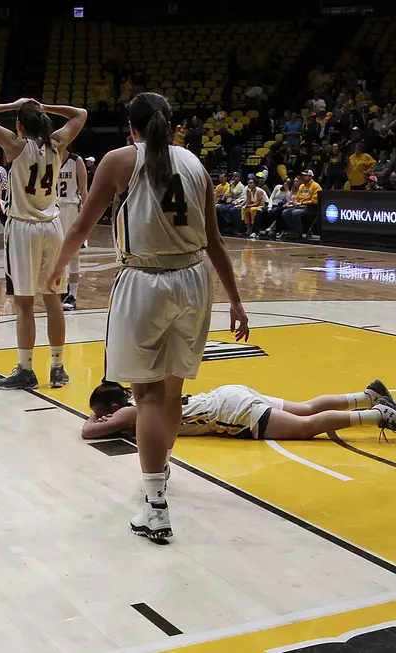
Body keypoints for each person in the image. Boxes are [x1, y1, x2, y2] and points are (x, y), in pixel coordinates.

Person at [46, 92, 249, 542]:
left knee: (148, 396)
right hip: (196, 280)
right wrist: (236, 300)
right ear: (172, 125)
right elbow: (215, 240)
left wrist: (58, 268)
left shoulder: (120, 160)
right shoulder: (195, 165)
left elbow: (80, 226)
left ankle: (155, 505)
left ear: (131, 126)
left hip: (146, 281)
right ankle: (161, 468)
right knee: (172, 390)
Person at [0, 97, 87, 390]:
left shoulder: (15, 145)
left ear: (20, 125)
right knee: (53, 299)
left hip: (23, 229)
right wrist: (45, 107)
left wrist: (14, 105)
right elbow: (80, 113)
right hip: (52, 227)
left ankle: (26, 370)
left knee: (23, 305)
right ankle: (58, 368)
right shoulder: (58, 143)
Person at [81, 379, 396, 443]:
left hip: (229, 413)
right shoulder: (144, 397)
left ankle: (380, 415)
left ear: (112, 408)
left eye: (101, 412)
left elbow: (88, 431)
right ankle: (368, 395)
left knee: (305, 427)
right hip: (229, 394)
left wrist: (99, 418)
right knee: (306, 408)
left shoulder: (130, 412)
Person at [56, 150, 89, 310]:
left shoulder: (76, 160)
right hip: (52, 209)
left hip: (70, 208)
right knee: (55, 253)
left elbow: (84, 190)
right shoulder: (48, 158)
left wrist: (87, 213)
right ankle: (61, 289)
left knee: (73, 254)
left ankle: (73, 295)